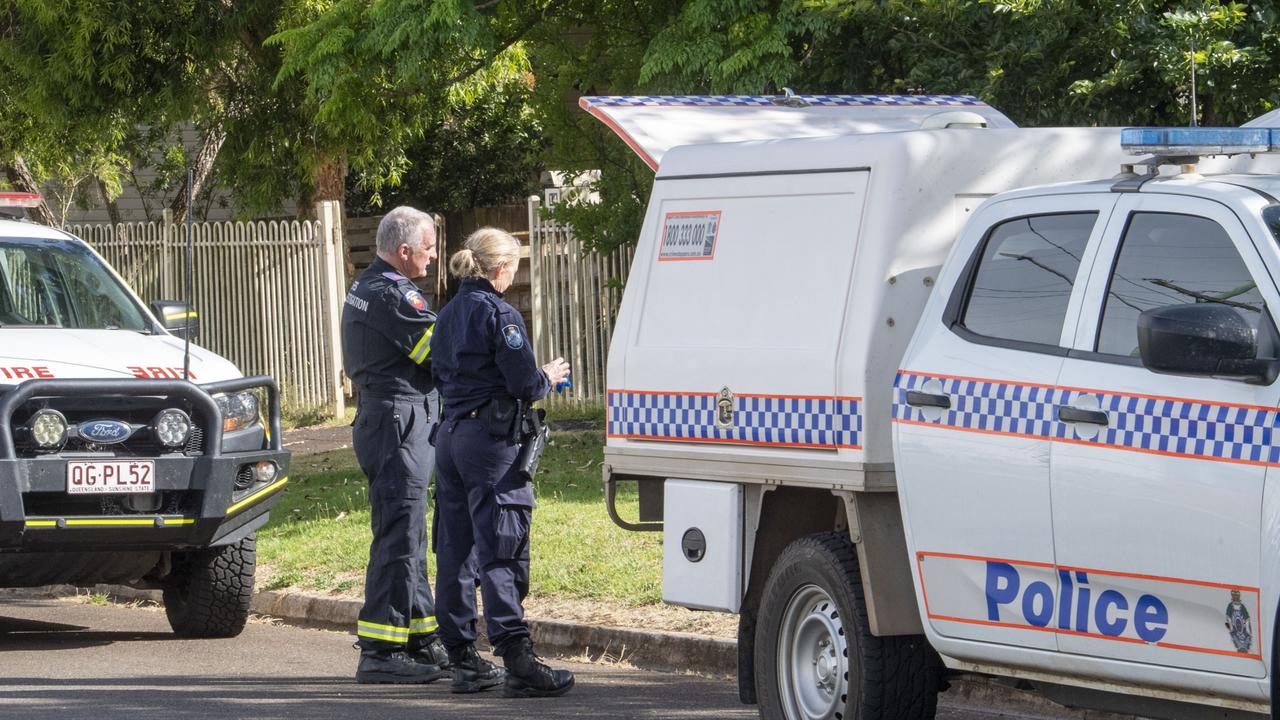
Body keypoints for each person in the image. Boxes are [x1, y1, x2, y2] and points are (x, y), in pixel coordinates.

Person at [431, 227, 575, 697]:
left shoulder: (448, 313)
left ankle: (462, 659)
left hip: (450, 438)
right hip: (490, 445)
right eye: (514, 265)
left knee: (456, 549)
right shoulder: (501, 314)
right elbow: (523, 385)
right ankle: (517, 658)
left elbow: (438, 373)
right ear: (500, 269)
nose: (515, 273)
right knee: (502, 549)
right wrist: (548, 376)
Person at [341, 206, 450, 684]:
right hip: (398, 422)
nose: (432, 257)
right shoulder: (395, 294)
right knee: (398, 536)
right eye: (427, 248)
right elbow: (441, 353)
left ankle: (419, 637)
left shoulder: (371, 285)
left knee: (409, 533)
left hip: (393, 419)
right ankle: (381, 650)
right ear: (403, 251)